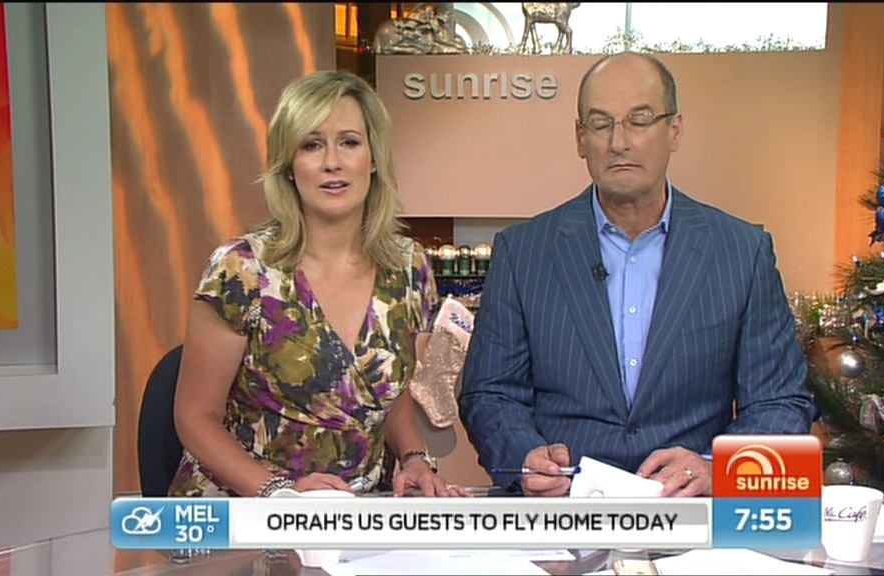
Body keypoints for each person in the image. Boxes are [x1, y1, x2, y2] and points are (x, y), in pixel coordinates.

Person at [458, 52, 814, 498]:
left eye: (639, 121)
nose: (619, 142)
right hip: (561, 510)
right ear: (580, 138)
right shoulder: (522, 252)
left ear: (674, 129)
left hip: (689, 510)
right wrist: (525, 458)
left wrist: (715, 468)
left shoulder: (741, 252)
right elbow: (489, 393)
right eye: (600, 124)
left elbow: (780, 402)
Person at [170, 69, 468, 499]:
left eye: (349, 142)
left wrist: (414, 458)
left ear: (373, 157)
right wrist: (280, 493)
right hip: (248, 507)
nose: (332, 162)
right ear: (289, 166)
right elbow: (195, 417)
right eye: (312, 145)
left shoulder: (409, 268)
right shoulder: (241, 269)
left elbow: (386, 395)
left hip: (355, 511)